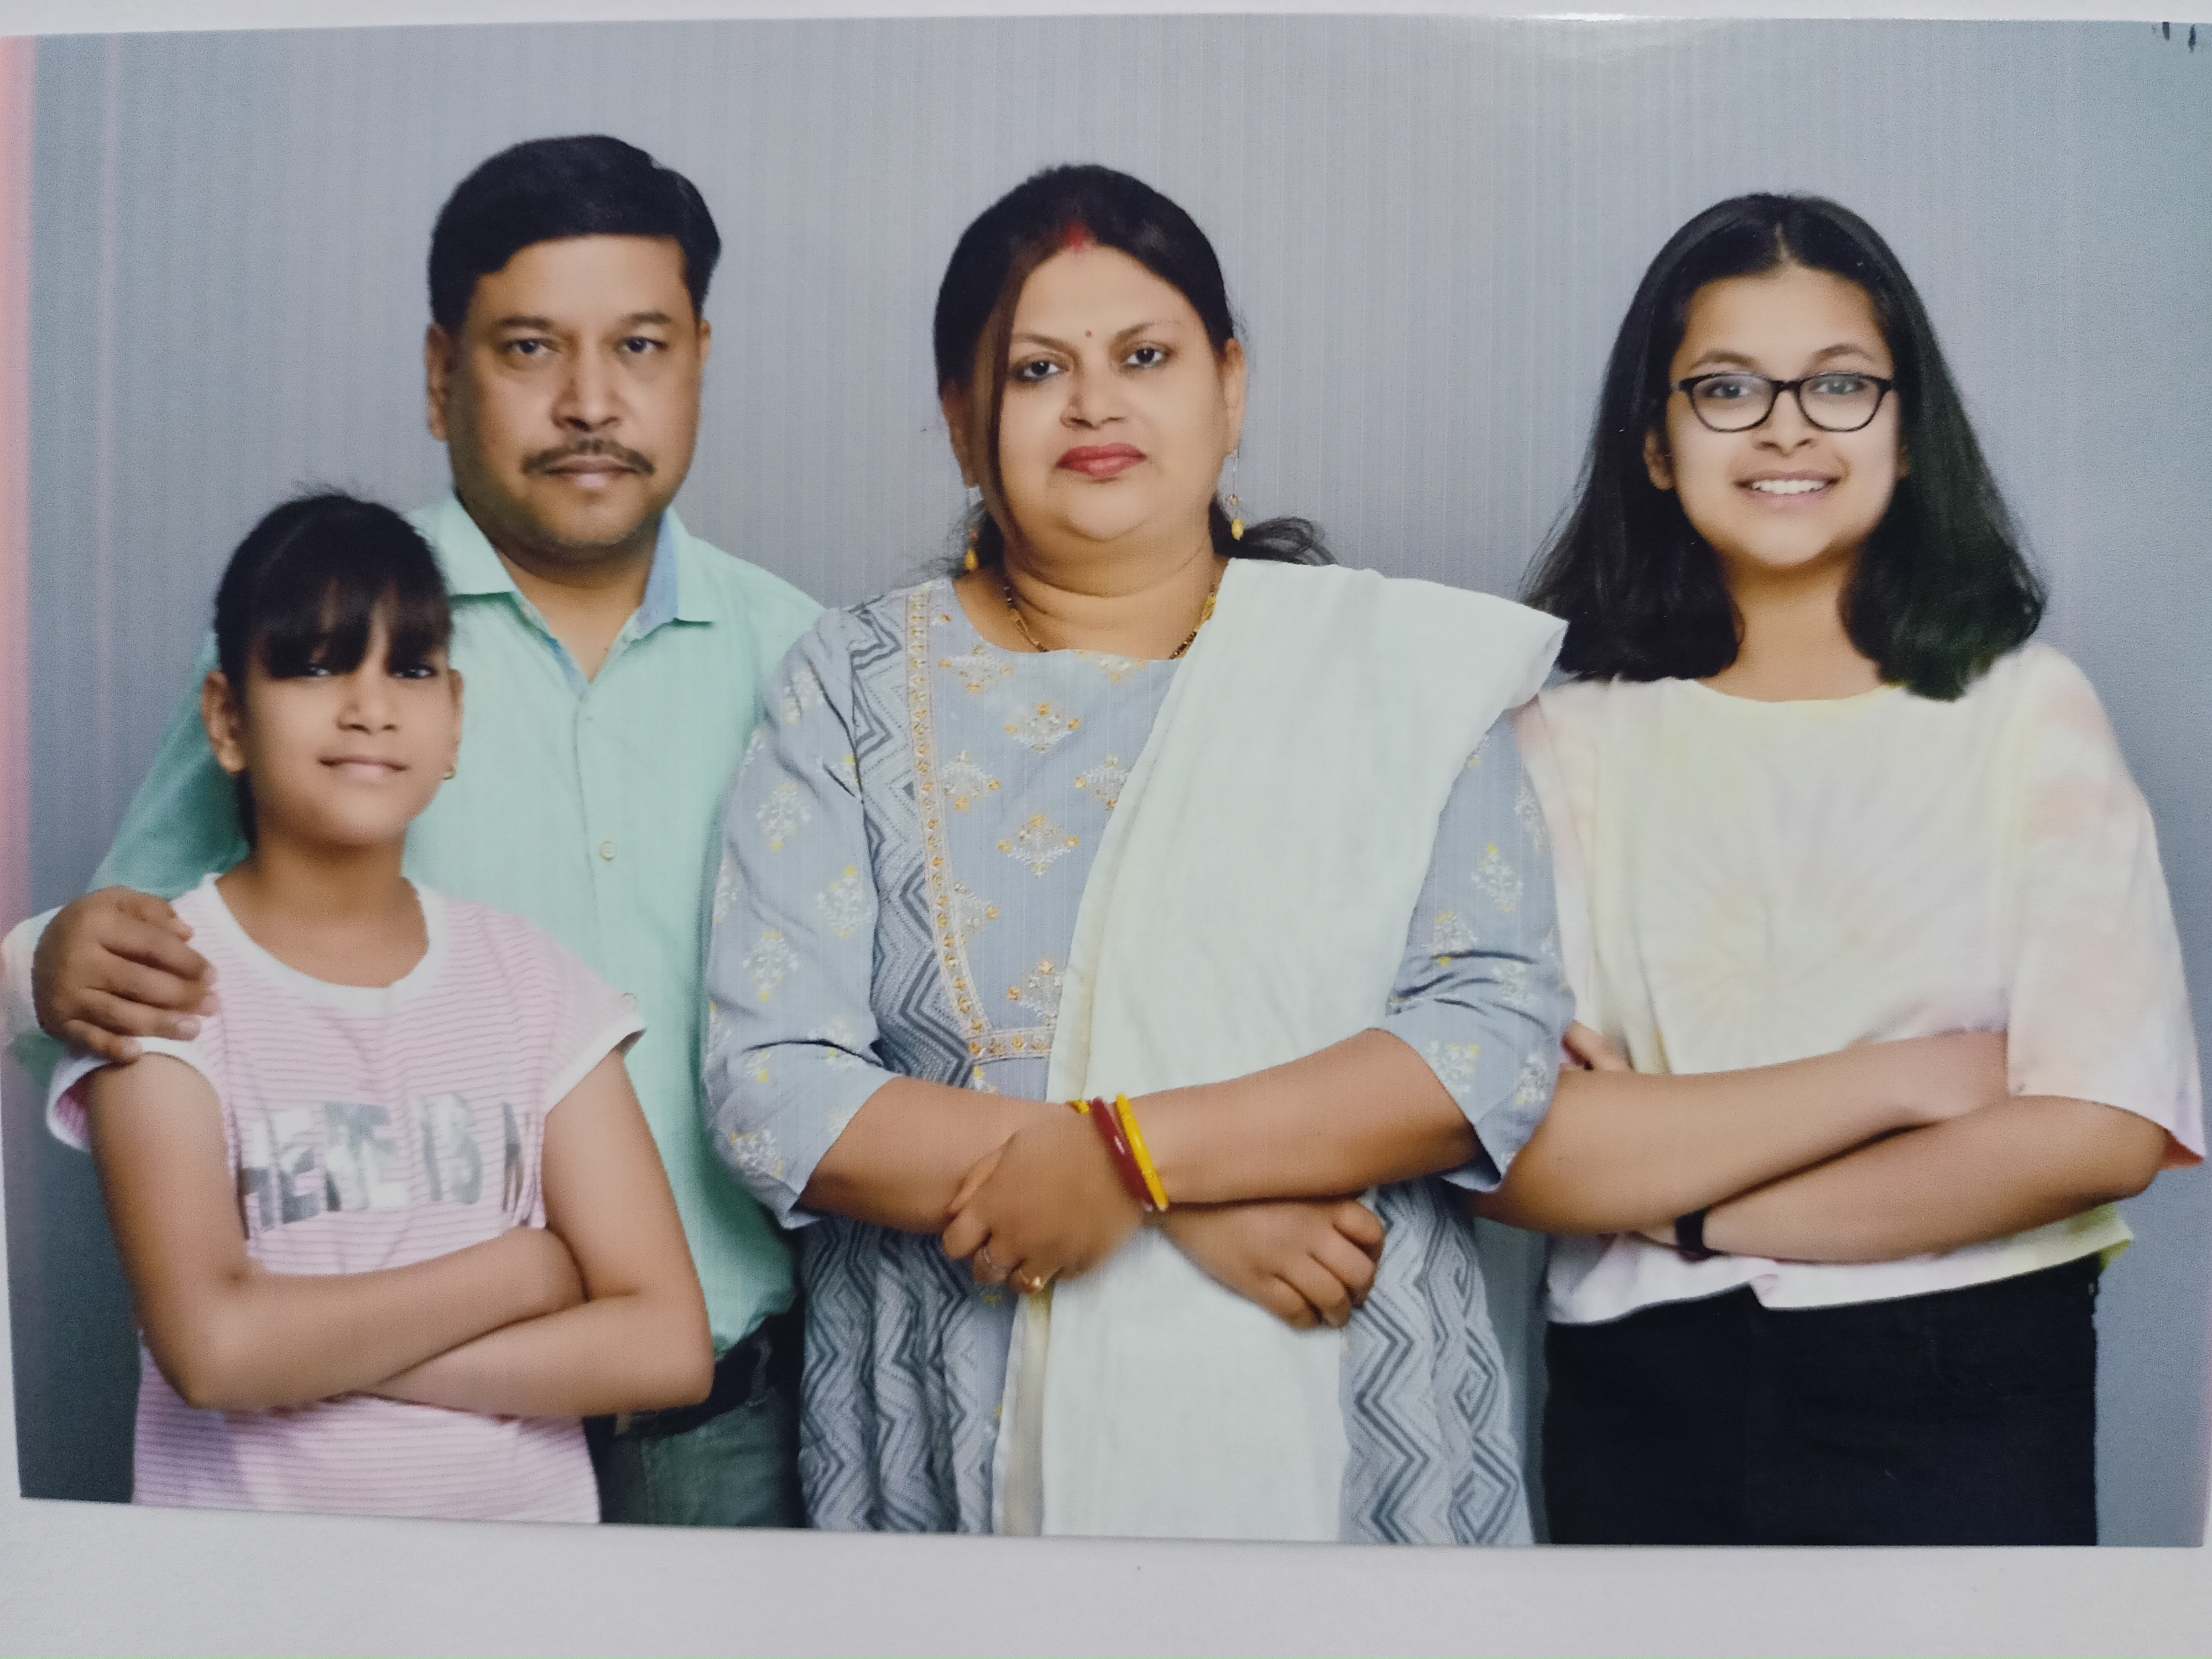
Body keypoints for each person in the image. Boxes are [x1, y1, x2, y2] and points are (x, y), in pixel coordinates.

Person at [701, 164, 1572, 1544]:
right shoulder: (850, 683)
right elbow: (773, 1090)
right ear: (960, 420)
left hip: (1343, 1397)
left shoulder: (1391, 671)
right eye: (1037, 368)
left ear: (1230, 385)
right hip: (963, 1404)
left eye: (1144, 358)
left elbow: (1488, 1039)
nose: (1094, 404)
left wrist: (1127, 1162)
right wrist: (1168, 1199)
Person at [2, 136, 820, 1527]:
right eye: (528, 349)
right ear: (442, 375)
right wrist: (37, 965)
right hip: (343, 1451)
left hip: (720, 1413)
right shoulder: (327, 638)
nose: (589, 402)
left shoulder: (798, 659)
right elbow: (124, 960)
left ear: (697, 360)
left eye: (639, 346)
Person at [1488, 192, 2203, 1545]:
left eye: (1837, 385)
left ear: (1906, 432)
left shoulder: (2024, 712)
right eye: (1724, 389)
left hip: (1969, 1377)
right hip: (1647, 1398)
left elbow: (2096, 1129)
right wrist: (1911, 1081)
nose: (1784, 428)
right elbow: (1523, 1153)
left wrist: (1686, 1203)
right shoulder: (1558, 744)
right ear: (1653, 446)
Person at [49, 492, 711, 1521]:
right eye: (315, 668)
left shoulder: (533, 983)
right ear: (227, 719)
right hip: (248, 1590)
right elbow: (215, 1351)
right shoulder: (161, 983)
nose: (370, 706)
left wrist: (326, 1360)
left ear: (455, 720)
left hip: (515, 1589)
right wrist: (519, 1272)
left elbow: (667, 1346)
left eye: (410, 669)